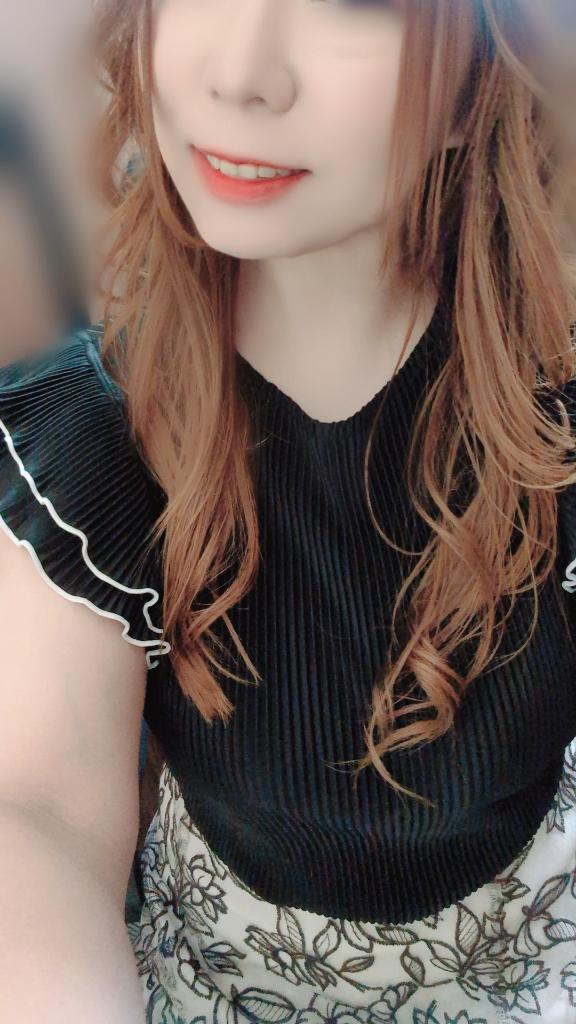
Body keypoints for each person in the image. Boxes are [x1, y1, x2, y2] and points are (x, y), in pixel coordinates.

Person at [1, 1, 576, 1022]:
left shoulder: (557, 417)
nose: (241, 74)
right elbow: (37, 810)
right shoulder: (97, 434)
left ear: (480, 81)